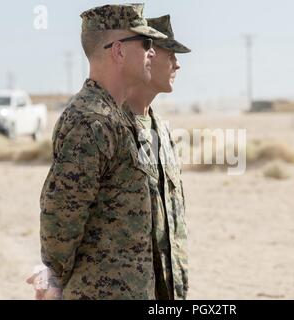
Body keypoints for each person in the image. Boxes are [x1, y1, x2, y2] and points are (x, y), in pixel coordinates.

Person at [26, 3, 187, 300]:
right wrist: (54, 281)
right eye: (146, 43)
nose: (153, 52)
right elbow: (61, 217)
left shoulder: (116, 117)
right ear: (119, 51)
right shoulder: (91, 121)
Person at [122, 14, 191, 300]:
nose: (177, 64)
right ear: (146, 56)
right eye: (171, 54)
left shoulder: (160, 128)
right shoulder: (109, 126)